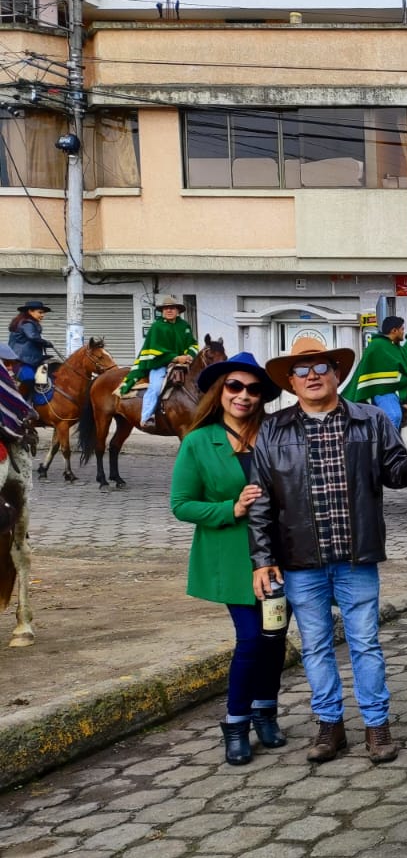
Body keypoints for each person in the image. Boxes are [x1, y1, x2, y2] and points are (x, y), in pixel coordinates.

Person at [248, 335, 407, 765]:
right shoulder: (273, 430)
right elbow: (260, 501)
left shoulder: (369, 420)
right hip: (299, 561)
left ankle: (376, 725)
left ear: (335, 374)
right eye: (301, 370)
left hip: (356, 557)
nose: (312, 376)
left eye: (320, 368)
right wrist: (262, 559)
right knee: (314, 647)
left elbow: (394, 472)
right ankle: (329, 726)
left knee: (365, 643)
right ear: (291, 382)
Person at [170, 352, 289, 766]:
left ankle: (265, 712)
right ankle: (235, 723)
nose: (244, 395)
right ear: (220, 391)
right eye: (235, 386)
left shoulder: (275, 433)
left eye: (254, 389)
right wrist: (230, 509)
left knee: (275, 640)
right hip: (232, 558)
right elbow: (181, 504)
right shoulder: (199, 441)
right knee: (252, 638)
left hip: (279, 556)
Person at [120, 295, 199, 427]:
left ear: (178, 311)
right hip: (160, 364)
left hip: (183, 364)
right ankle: (147, 417)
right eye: (166, 308)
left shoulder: (184, 326)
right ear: (162, 311)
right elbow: (154, 350)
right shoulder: (157, 327)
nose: (169, 311)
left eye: (172, 308)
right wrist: (175, 358)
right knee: (156, 387)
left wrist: (189, 355)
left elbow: (192, 344)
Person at [342, 317, 407, 431]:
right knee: (394, 416)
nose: (403, 332)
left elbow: (406, 362)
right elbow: (381, 375)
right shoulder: (378, 345)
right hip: (382, 390)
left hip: (394, 389)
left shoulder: (396, 346)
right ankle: (389, 446)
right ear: (394, 330)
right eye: (402, 329)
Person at [7, 301, 59, 404]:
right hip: (22, 361)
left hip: (30, 360)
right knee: (29, 378)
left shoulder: (26, 322)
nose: (42, 315)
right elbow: (33, 336)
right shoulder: (27, 323)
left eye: (43, 313)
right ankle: (26, 404)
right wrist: (46, 343)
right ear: (30, 311)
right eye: (40, 312)